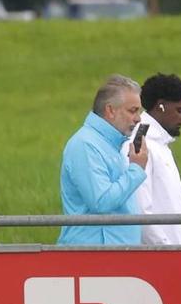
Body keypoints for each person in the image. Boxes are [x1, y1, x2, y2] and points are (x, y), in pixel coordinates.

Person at [58, 73, 149, 245]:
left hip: (112, 256)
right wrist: (136, 169)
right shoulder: (85, 145)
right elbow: (101, 202)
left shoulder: (110, 144)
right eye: (132, 110)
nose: (138, 118)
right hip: (94, 259)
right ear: (110, 110)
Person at [137, 72, 181, 245]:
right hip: (165, 258)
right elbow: (140, 209)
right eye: (180, 110)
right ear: (160, 106)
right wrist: (166, 250)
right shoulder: (141, 142)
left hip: (178, 254)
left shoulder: (159, 143)